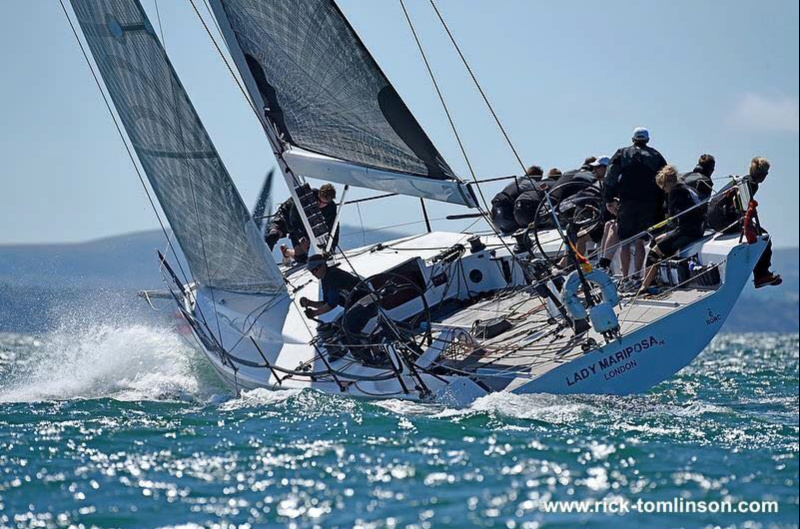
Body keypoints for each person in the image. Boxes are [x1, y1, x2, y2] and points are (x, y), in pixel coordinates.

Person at [604, 127, 667, 284]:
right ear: (647, 140)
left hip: (627, 203)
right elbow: (664, 178)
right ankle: (637, 277)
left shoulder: (622, 153)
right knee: (640, 241)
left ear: (633, 139)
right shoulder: (656, 155)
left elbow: (610, 177)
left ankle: (625, 278)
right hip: (649, 205)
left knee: (625, 242)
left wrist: (609, 199)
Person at [706, 157, 781, 288]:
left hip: (712, 219)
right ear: (763, 174)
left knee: (759, 232)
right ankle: (761, 275)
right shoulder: (750, 184)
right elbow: (742, 206)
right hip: (722, 220)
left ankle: (760, 274)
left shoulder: (743, 179)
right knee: (764, 238)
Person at [638, 165, 706, 294]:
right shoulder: (687, 188)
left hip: (688, 231)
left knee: (654, 252)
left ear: (668, 183)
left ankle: (644, 286)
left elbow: (675, 216)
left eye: (664, 188)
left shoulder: (676, 192)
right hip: (693, 228)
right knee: (655, 240)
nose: (664, 191)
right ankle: (653, 280)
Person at [299, 255, 375, 335]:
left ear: (323, 265)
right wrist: (310, 303)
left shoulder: (333, 275)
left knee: (346, 331)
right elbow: (326, 303)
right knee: (336, 329)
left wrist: (315, 313)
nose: (314, 273)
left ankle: (371, 345)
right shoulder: (325, 280)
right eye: (311, 271)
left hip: (366, 303)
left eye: (315, 270)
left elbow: (332, 304)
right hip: (355, 307)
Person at [265, 184, 338, 263]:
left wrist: (331, 248)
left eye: (323, 203)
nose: (319, 204)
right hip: (286, 217)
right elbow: (294, 218)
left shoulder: (331, 208)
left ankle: (286, 252)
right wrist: (301, 236)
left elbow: (334, 228)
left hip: (303, 226)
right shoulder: (306, 196)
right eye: (318, 200)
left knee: (301, 258)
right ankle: (264, 261)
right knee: (272, 236)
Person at [490, 165, 544, 233]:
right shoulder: (531, 183)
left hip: (496, 220)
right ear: (538, 177)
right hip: (508, 218)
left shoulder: (514, 182)